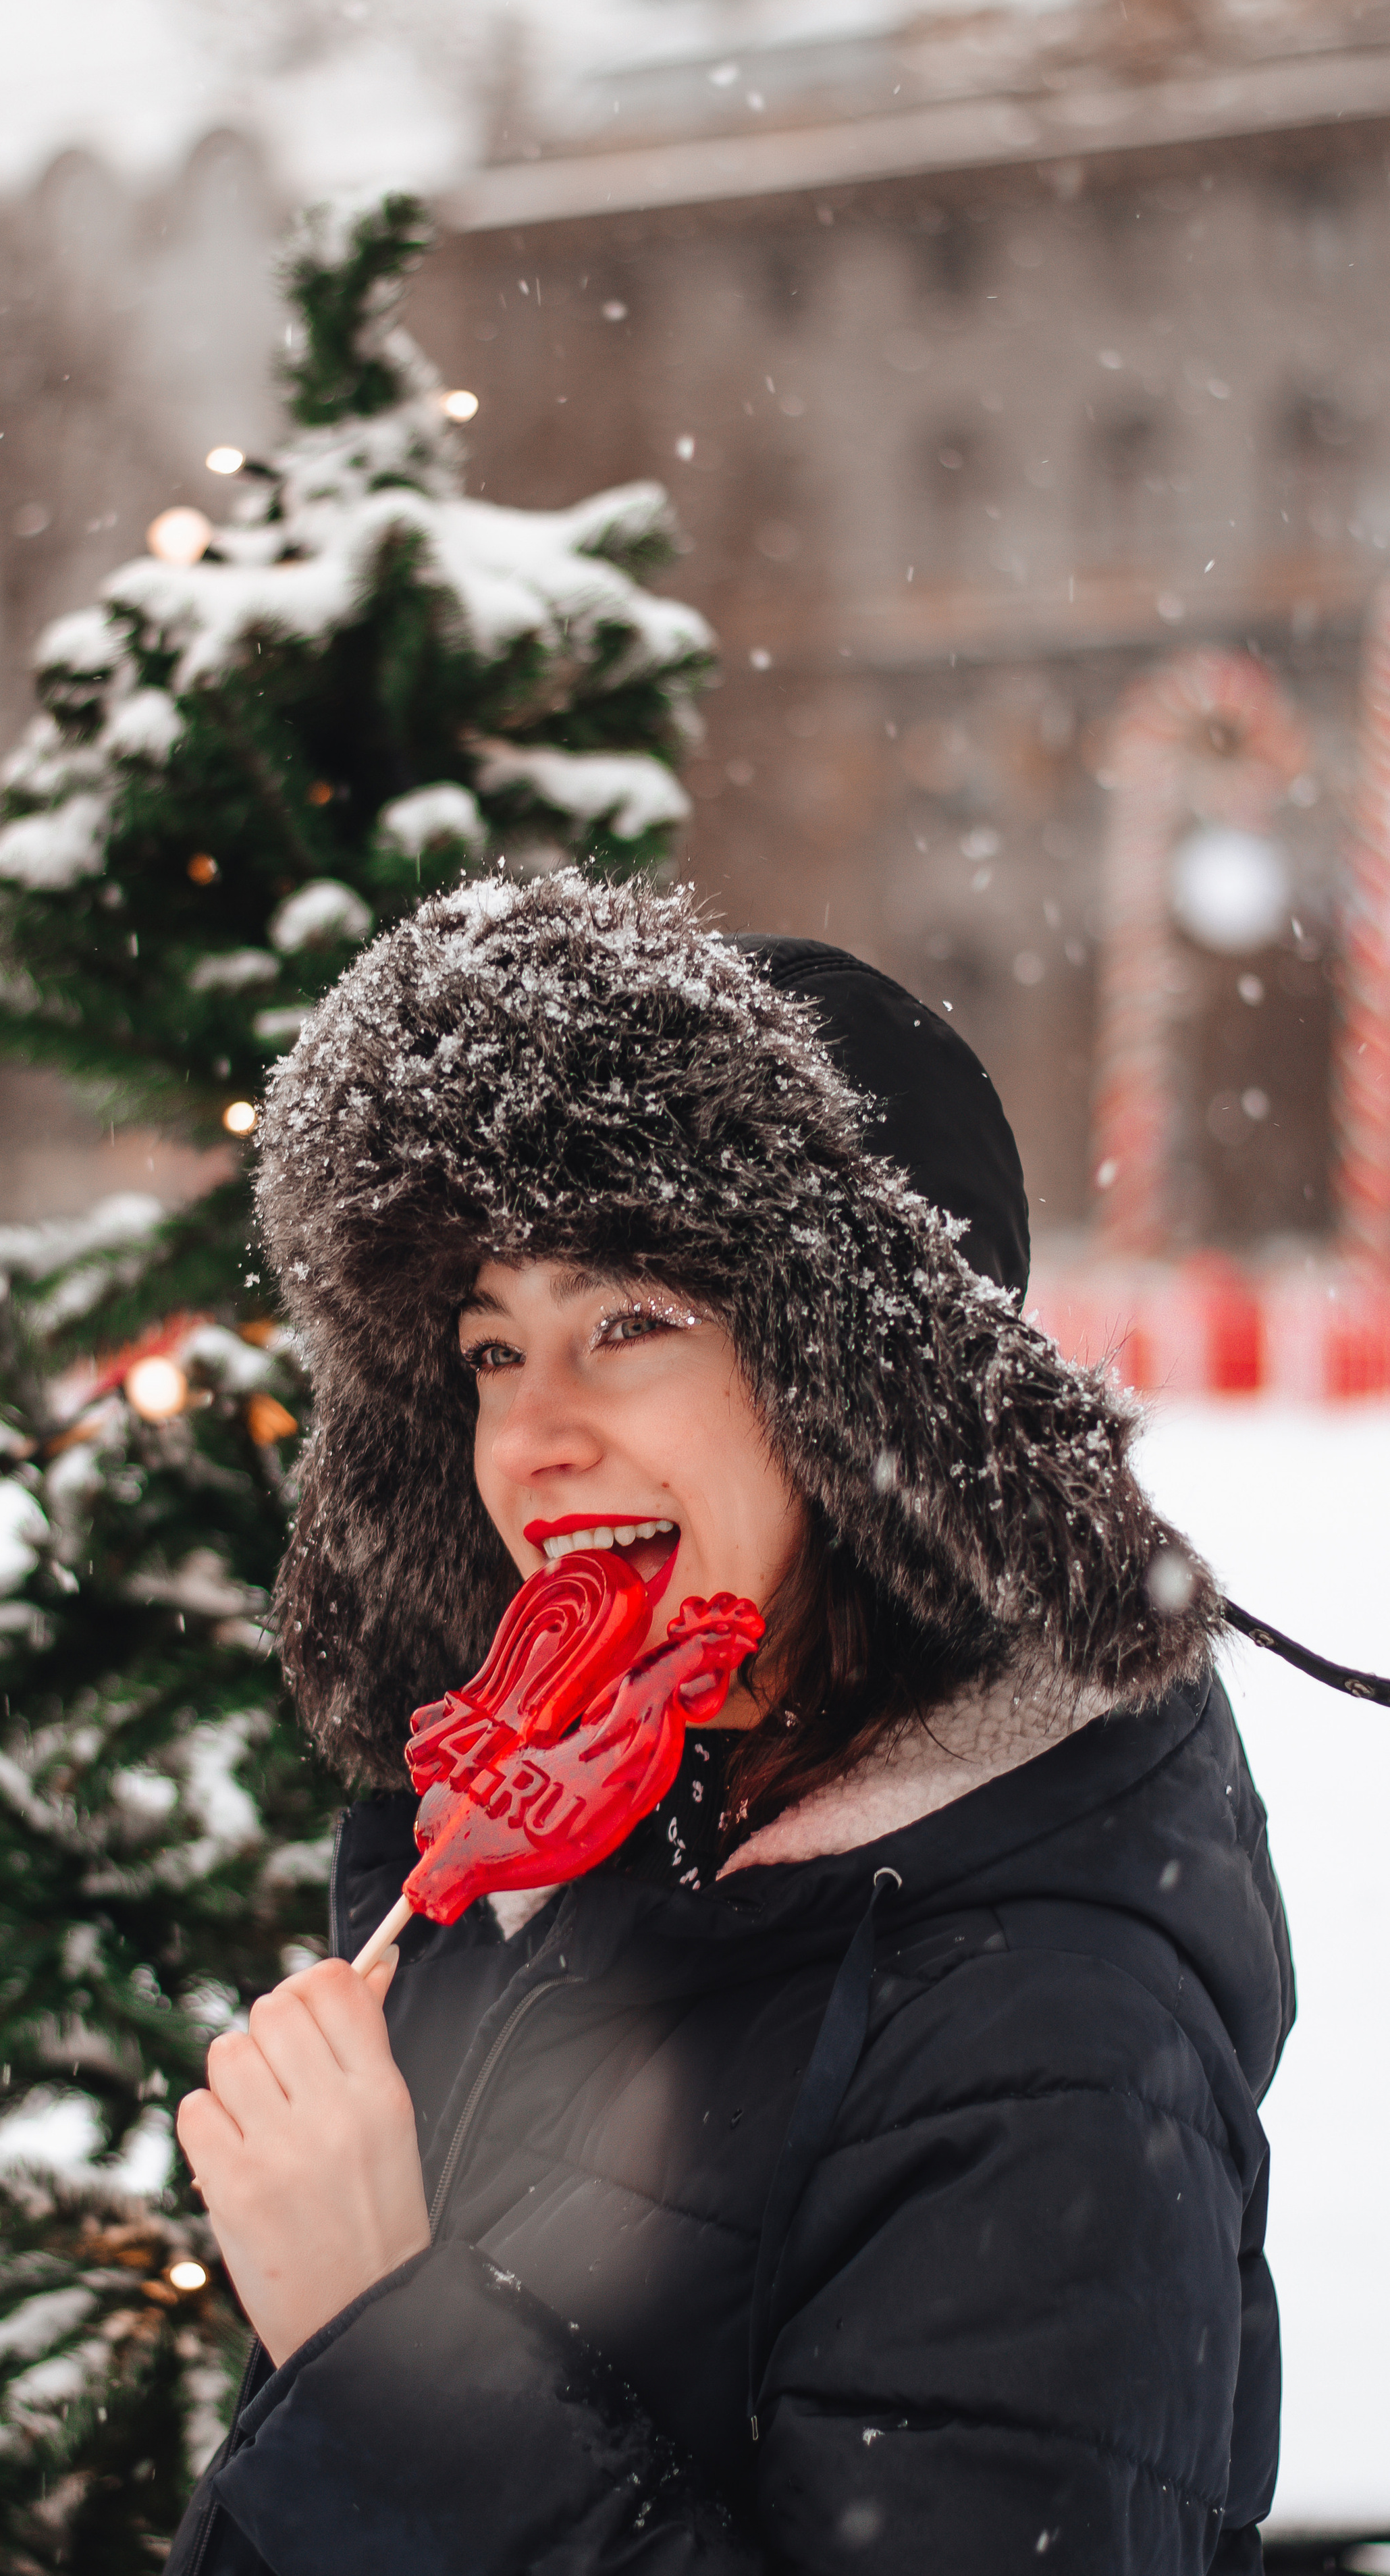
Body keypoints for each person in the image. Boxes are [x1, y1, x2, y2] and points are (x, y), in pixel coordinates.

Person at [167, 874, 1291, 2576]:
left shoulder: (1054, 2038)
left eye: (626, 1324)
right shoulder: (568, 1864)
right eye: (489, 1351)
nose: (527, 1437)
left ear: (859, 1388)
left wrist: (386, 2348)